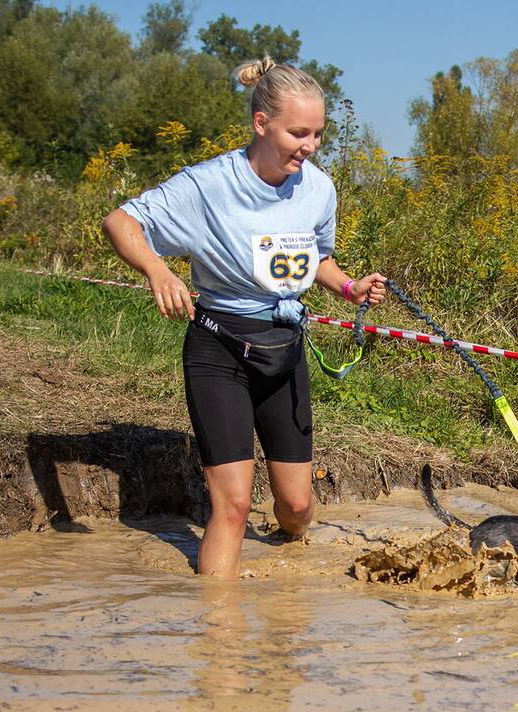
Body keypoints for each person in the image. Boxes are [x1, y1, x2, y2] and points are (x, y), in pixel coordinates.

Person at [103, 57, 386, 579]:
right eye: (299, 133)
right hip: (220, 351)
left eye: (319, 134)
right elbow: (120, 222)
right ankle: (223, 647)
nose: (311, 146)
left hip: (284, 350)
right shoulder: (208, 185)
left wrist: (349, 286)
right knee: (231, 508)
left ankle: (288, 598)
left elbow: (315, 256)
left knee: (298, 509)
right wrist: (158, 272)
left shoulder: (319, 189)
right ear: (261, 124)